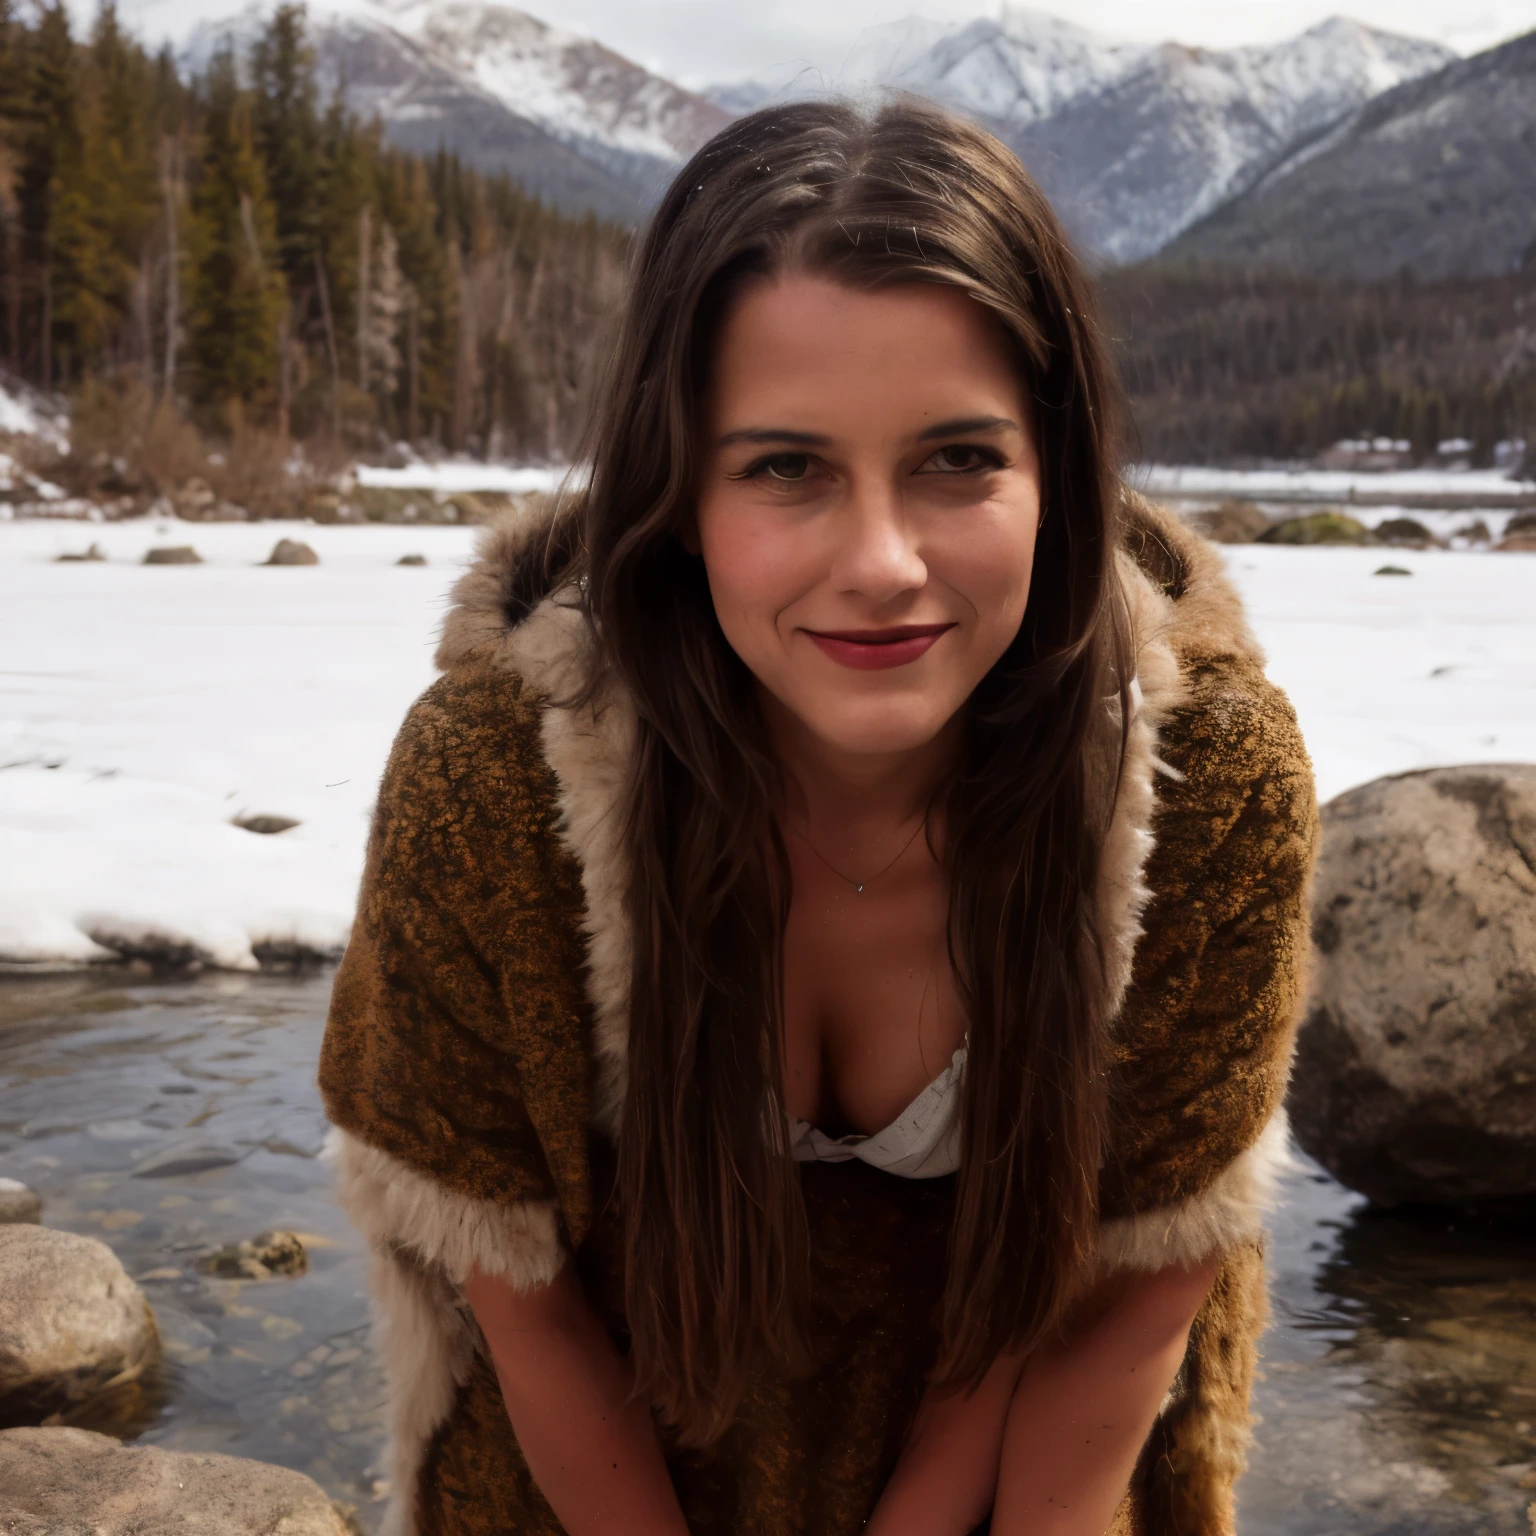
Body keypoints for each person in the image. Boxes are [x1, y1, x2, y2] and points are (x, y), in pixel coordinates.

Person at [319, 97, 1317, 1536]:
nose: (882, 563)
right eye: (786, 467)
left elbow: (1138, 1275)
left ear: (1061, 471)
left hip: (1042, 1423)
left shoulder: (1202, 774)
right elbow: (519, 1298)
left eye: (959, 459)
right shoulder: (497, 783)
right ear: (676, 493)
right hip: (613, 1453)